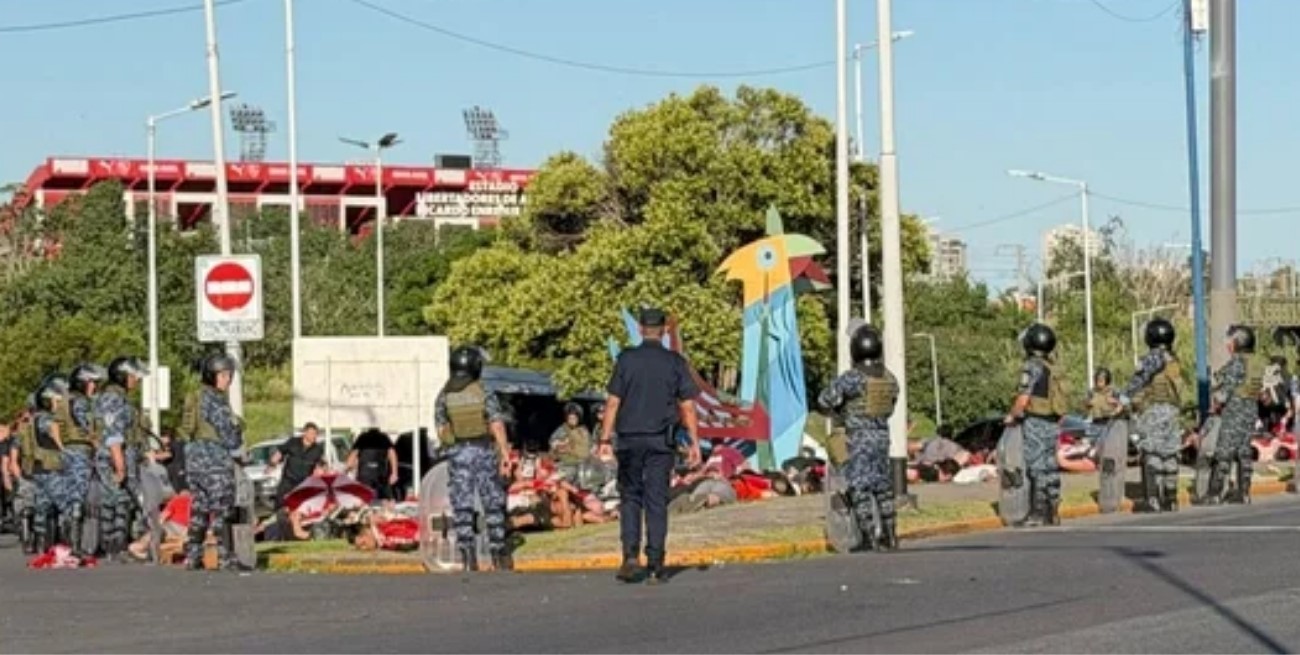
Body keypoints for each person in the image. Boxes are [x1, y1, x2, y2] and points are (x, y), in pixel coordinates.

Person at [600, 307, 702, 584]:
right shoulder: (675, 362)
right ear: (665, 331)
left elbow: (613, 402)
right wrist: (694, 443)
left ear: (642, 329)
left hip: (630, 440)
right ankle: (656, 562)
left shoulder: (626, 360)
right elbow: (688, 406)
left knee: (631, 497)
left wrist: (604, 439)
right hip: (660, 441)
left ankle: (630, 556)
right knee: (657, 500)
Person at [818, 324, 901, 551]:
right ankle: (891, 534)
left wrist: (840, 413)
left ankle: (868, 537)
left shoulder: (852, 378)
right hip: (882, 438)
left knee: (859, 487)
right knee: (883, 487)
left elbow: (825, 400)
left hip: (857, 440)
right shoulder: (890, 378)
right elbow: (891, 406)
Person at [434, 345, 512, 572]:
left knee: (462, 504)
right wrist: (505, 453)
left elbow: (441, 429)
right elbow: (496, 423)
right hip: (483, 450)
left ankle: (468, 555)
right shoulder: (483, 391)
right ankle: (498, 553)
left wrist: (454, 444)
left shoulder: (444, 395)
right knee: (493, 502)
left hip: (458, 453)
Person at [178, 353, 247, 571]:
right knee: (223, 508)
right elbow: (229, 435)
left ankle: (193, 555)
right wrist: (239, 430)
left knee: (200, 508)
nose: (228, 379)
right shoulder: (217, 401)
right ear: (212, 376)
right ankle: (226, 556)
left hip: (195, 460)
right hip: (214, 460)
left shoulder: (197, 397)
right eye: (224, 375)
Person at [1005, 323, 1068, 526]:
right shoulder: (1053, 368)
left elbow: (1023, 398)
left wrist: (1012, 415)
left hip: (1035, 420)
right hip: (1052, 421)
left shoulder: (1031, 366)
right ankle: (1053, 510)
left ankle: (1037, 513)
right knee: (1051, 466)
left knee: (1036, 466)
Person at [1119, 318, 1183, 512]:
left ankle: (1153, 498)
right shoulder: (1173, 359)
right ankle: (1171, 498)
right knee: (1170, 454)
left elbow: (1139, 380)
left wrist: (1123, 399)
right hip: (1172, 411)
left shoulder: (1153, 358)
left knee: (1152, 453)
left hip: (1153, 410)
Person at [93, 357, 148, 562]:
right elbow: (113, 435)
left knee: (117, 501)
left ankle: (116, 546)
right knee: (118, 502)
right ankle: (115, 547)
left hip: (121, 456)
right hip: (113, 458)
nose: (136, 380)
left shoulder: (118, 397)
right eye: (133, 376)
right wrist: (121, 466)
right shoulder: (112, 399)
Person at [1209, 325, 1262, 505]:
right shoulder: (1256, 363)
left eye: (1230, 341)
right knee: (1244, 452)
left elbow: (1225, 391)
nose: (1228, 345)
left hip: (1235, 412)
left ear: (1238, 342)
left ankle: (1214, 494)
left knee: (1224, 452)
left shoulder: (1237, 363)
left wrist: (1216, 402)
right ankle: (1244, 493)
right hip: (1250, 412)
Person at [58, 364, 105, 555]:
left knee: (71, 496)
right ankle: (76, 546)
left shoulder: (64, 401)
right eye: (91, 382)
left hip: (68, 450)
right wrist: (98, 445)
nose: (94, 386)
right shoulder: (82, 402)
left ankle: (71, 543)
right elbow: (87, 427)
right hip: (81, 450)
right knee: (79, 496)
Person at [25, 380, 68, 553]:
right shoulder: (46, 419)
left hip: (39, 467)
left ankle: (42, 544)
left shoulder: (33, 419)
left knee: (42, 507)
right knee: (65, 505)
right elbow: (56, 438)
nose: (59, 403)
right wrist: (66, 451)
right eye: (57, 400)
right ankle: (64, 544)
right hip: (51, 468)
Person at [269, 423, 326, 511]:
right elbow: (280, 452)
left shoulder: (318, 449)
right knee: (280, 506)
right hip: (288, 481)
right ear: (305, 433)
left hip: (304, 484)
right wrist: (272, 464)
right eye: (312, 433)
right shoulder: (293, 442)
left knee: (300, 508)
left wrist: (321, 471)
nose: (314, 436)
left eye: (315, 434)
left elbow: (321, 464)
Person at [348, 428, 398, 505]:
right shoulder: (383, 437)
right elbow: (392, 454)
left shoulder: (362, 437)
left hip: (364, 476)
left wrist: (349, 471)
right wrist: (394, 473)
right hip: (381, 476)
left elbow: (351, 459)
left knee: (364, 501)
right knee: (386, 502)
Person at [549, 403, 592, 468]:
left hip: (581, 463)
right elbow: (553, 443)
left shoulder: (583, 431)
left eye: (574, 418)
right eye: (570, 418)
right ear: (566, 418)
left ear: (579, 418)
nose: (572, 420)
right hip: (563, 463)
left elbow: (588, 447)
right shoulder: (562, 429)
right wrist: (560, 444)